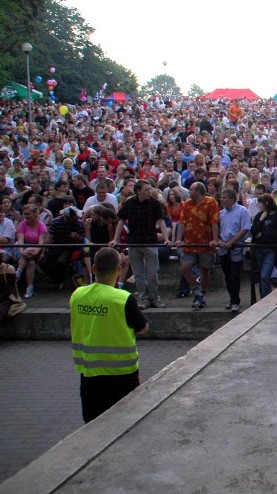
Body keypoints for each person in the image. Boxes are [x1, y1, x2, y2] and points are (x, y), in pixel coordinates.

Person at [70, 247, 148, 423]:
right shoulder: (123, 298)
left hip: (90, 374)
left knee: (92, 423)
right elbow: (143, 328)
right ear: (119, 269)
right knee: (126, 423)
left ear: (94, 269)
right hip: (122, 375)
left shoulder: (77, 295)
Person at [110, 179, 172, 310]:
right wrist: (115, 239)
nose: (149, 192)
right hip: (134, 242)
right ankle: (144, 299)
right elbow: (120, 221)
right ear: (138, 191)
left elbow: (161, 222)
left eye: (150, 189)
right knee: (138, 274)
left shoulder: (155, 204)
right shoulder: (130, 203)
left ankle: (155, 298)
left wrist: (166, 238)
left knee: (152, 274)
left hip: (150, 242)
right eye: (146, 190)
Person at [175, 182, 219, 311]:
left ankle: (202, 295)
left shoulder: (211, 202)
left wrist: (215, 239)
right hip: (190, 241)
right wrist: (178, 239)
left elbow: (214, 222)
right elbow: (182, 222)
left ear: (199, 191)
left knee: (205, 269)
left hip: (206, 241)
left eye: (192, 189)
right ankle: (197, 292)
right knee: (185, 267)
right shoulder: (188, 204)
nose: (189, 191)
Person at [216, 188, 252, 312]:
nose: (222, 200)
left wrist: (232, 242)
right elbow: (218, 229)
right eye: (222, 198)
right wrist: (220, 241)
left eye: (225, 198)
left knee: (235, 275)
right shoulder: (221, 213)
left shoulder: (243, 211)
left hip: (236, 247)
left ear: (232, 198)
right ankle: (232, 299)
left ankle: (236, 300)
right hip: (224, 248)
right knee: (227, 275)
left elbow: (244, 229)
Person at [250, 194, 277, 298]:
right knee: (261, 276)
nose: (258, 205)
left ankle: (267, 299)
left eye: (260, 203)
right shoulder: (259, 215)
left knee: (265, 276)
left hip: (271, 249)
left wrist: (263, 235)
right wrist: (260, 220)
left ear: (266, 203)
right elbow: (254, 231)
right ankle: (263, 297)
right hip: (259, 249)